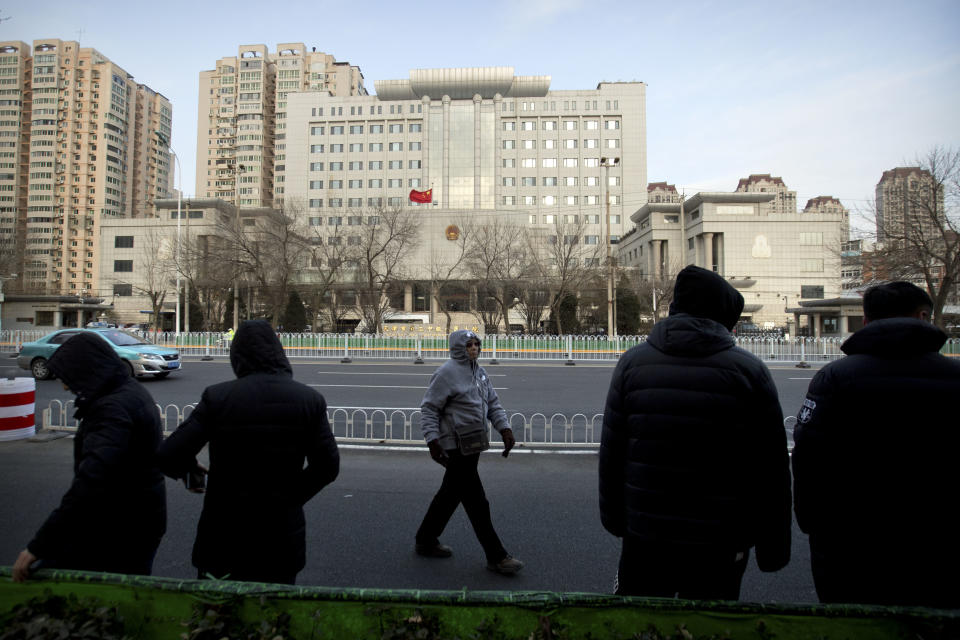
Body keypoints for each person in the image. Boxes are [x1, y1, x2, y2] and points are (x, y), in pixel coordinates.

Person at [599, 265, 791, 600]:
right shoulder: (749, 371)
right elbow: (771, 469)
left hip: (645, 536)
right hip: (720, 540)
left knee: (643, 624)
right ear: (722, 318)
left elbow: (613, 454)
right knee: (708, 623)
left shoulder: (632, 364)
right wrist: (773, 546)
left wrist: (616, 520)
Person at [792, 281, 960, 608]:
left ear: (866, 322)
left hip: (850, 542)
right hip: (941, 540)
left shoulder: (834, 378)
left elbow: (808, 458)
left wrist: (811, 522)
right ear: (923, 316)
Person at [157, 319, 339, 584]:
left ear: (237, 356)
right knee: (274, 616)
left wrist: (191, 475)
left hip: (224, 534)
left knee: (217, 617)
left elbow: (169, 454)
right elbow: (327, 466)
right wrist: (290, 498)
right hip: (281, 538)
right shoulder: (309, 400)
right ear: (279, 352)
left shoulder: (218, 397)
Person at [11, 333, 166, 582]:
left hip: (119, 528)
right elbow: (146, 448)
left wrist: (39, 545)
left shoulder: (110, 409)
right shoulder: (128, 391)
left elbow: (92, 481)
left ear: (88, 369)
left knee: (105, 598)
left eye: (68, 376)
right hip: (137, 519)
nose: (65, 386)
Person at [416, 329, 524, 575]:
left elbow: (493, 402)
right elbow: (429, 409)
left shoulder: (480, 371)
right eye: (469, 345)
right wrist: (432, 441)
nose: (474, 348)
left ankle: (425, 539)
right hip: (454, 447)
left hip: (473, 444)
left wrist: (504, 428)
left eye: (477, 344)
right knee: (477, 502)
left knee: (449, 495)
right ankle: (496, 556)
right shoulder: (446, 373)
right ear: (458, 347)